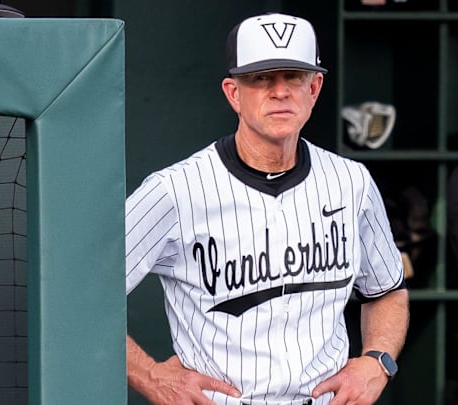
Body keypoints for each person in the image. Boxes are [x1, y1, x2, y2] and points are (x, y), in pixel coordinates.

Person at [125, 12, 409, 405]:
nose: (280, 92)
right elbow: (80, 290)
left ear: (315, 88)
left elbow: (387, 291)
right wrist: (152, 377)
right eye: (261, 78)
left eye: (293, 77)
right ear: (233, 93)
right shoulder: (174, 191)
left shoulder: (352, 182)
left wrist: (377, 361)